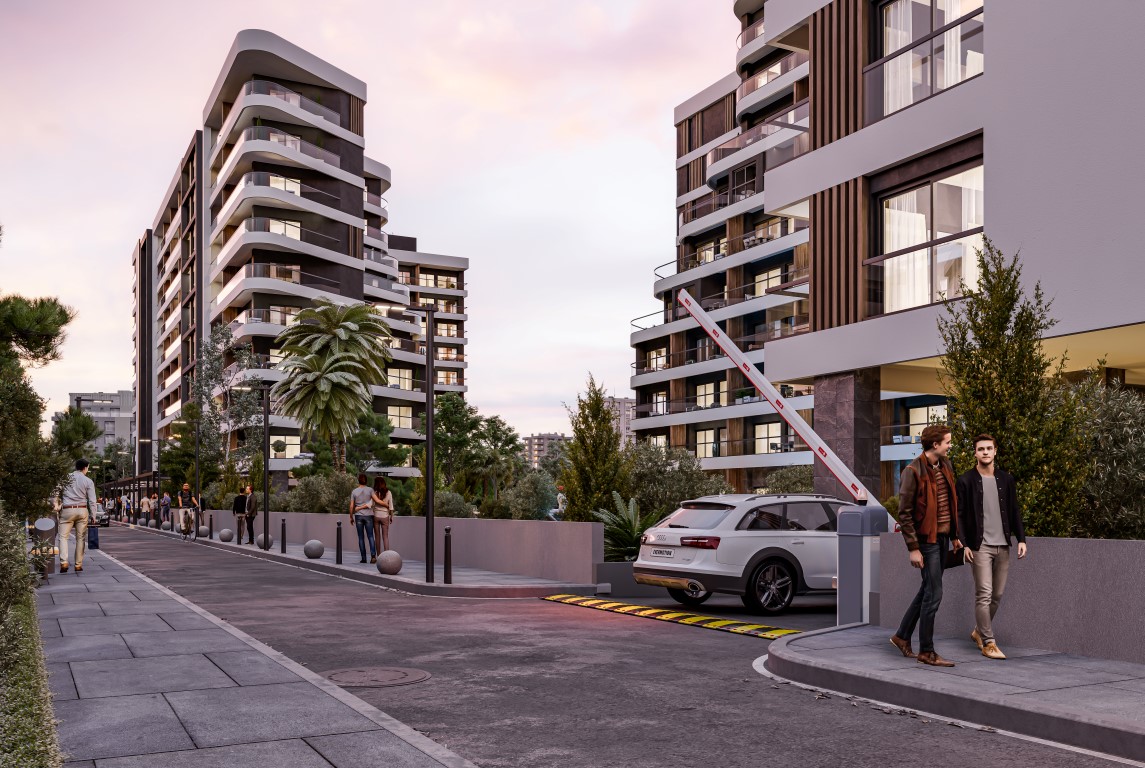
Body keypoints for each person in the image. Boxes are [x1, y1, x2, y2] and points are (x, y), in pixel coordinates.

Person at [890, 423, 963, 667]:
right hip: (927, 541)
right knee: (934, 594)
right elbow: (905, 513)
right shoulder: (913, 471)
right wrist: (913, 548)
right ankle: (927, 652)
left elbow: (949, 504)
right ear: (935, 444)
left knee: (927, 590)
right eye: (948, 442)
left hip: (943, 539)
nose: (950, 445)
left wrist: (954, 535)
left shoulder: (945, 466)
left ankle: (902, 636)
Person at [957, 434, 1028, 660]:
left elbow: (1014, 510)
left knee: (996, 595)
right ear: (975, 453)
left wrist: (1022, 539)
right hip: (980, 547)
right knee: (984, 594)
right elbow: (958, 514)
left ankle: (978, 632)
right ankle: (989, 642)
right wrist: (962, 542)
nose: (985, 452)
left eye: (989, 448)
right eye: (981, 449)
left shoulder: (1006, 479)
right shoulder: (966, 480)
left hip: (1003, 545)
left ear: (995, 451)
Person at [56, 459, 96, 573]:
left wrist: (56, 505)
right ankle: (78, 565)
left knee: (63, 537)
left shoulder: (65, 478)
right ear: (85, 467)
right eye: (88, 468)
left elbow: (54, 492)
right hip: (82, 510)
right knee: (81, 538)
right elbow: (92, 500)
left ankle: (64, 563)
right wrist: (93, 515)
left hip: (67, 510)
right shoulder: (88, 481)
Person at [349, 474, 377, 564]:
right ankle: (373, 556)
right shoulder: (370, 490)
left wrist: (351, 516)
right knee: (370, 536)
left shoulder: (354, 491)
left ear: (358, 481)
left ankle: (363, 558)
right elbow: (374, 501)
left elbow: (351, 506)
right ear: (366, 480)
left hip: (358, 516)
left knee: (361, 537)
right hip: (369, 515)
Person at [372, 477, 394, 554]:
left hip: (376, 516)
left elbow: (372, 505)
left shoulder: (374, 493)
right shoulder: (389, 493)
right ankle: (386, 555)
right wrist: (391, 516)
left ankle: (379, 556)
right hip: (385, 516)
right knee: (385, 536)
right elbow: (390, 506)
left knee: (377, 537)